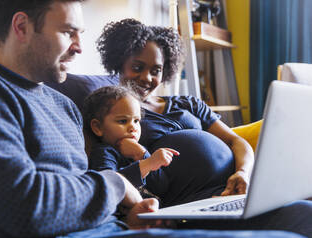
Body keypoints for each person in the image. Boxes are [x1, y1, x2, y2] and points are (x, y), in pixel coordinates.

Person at [0, 1, 312, 238]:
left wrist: (131, 211)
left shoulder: (61, 105)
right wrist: (119, 186)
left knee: (301, 216)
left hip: (115, 229)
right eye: (68, 32)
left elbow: (80, 188)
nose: (79, 47)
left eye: (80, 35)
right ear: (21, 26)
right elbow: (25, 207)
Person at [96, 18, 252, 206]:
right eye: (137, 67)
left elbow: (236, 141)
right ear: (119, 63)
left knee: (296, 209)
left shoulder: (188, 103)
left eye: (156, 70)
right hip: (196, 202)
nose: (147, 77)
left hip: (235, 189)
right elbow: (112, 175)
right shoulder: (116, 119)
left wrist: (243, 172)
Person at [83, 85, 179, 200]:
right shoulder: (104, 152)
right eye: (123, 121)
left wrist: (142, 154)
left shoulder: (138, 149)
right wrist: (147, 163)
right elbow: (109, 183)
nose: (133, 127)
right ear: (98, 127)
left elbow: (161, 187)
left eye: (136, 121)